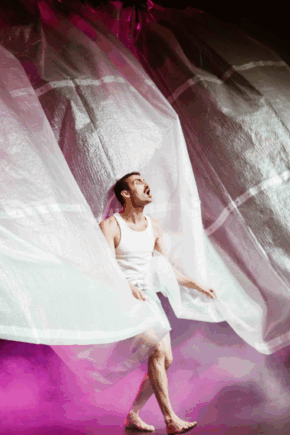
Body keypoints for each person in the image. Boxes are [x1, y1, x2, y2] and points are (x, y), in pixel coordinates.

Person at [99, 172, 216, 434]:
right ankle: (171, 419)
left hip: (148, 297)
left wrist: (196, 284)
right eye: (138, 182)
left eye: (144, 181)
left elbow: (165, 269)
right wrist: (126, 287)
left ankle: (133, 414)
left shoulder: (154, 227)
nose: (146, 184)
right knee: (156, 350)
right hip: (124, 298)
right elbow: (104, 268)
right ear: (125, 194)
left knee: (167, 359)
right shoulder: (111, 226)